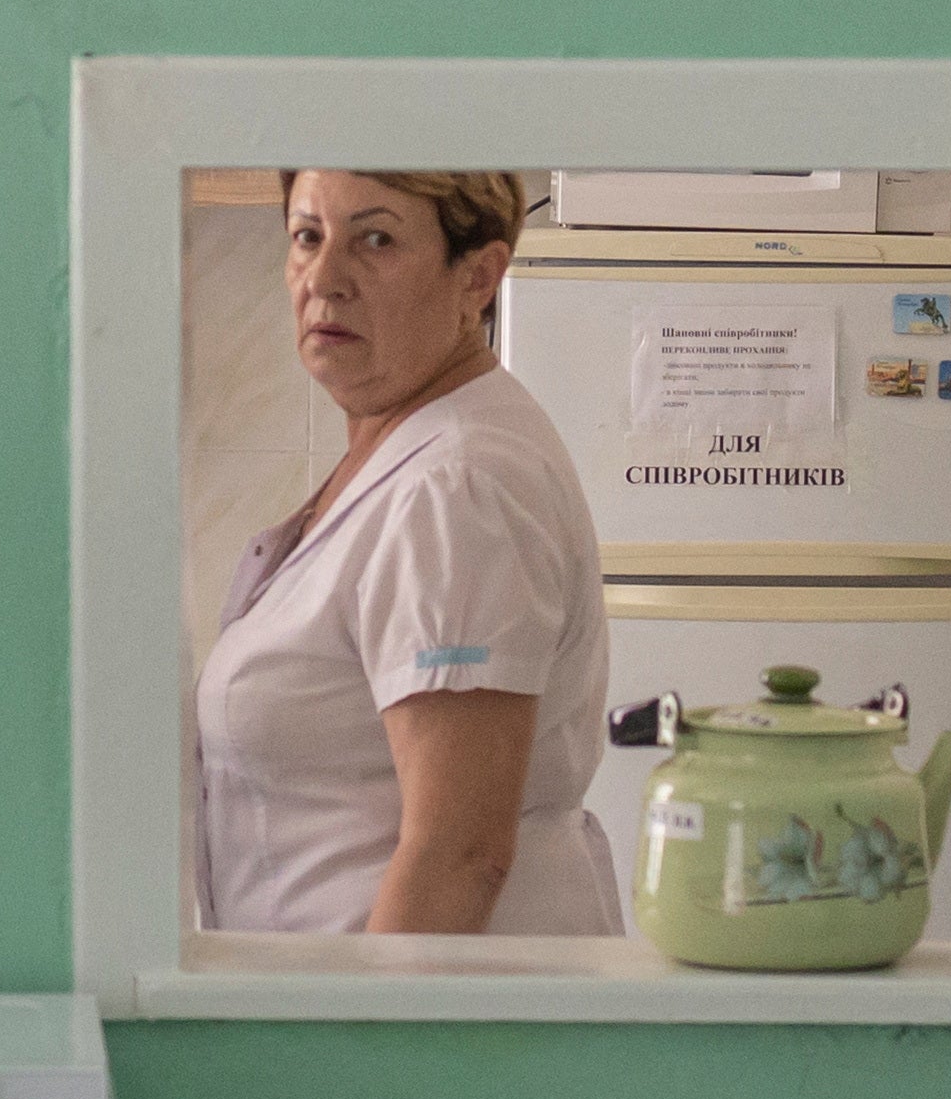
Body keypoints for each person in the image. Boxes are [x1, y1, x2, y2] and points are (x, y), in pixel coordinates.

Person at [188, 167, 624, 937]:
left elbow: (458, 854)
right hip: (347, 1012)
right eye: (307, 237)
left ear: (478, 278)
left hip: (427, 1034)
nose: (325, 279)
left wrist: (369, 1055)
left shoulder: (458, 485)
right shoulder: (408, 450)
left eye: (376, 239)